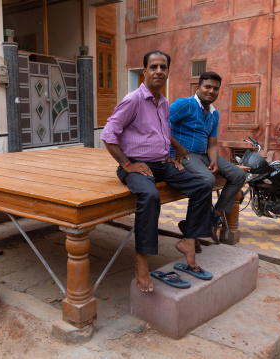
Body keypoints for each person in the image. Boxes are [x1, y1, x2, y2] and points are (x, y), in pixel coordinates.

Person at [100, 50, 214, 293]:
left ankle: (188, 241)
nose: (159, 71)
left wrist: (177, 147)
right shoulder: (133, 100)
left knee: (203, 185)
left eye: (163, 67)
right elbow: (108, 135)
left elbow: (161, 131)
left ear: (168, 72)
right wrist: (128, 164)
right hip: (136, 167)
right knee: (150, 197)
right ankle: (141, 262)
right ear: (145, 72)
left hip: (163, 165)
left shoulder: (163, 102)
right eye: (154, 67)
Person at [170, 71, 246, 245]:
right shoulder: (185, 104)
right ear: (198, 88)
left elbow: (212, 144)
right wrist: (176, 147)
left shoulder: (214, 114)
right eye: (207, 87)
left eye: (216, 88)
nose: (211, 91)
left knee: (238, 175)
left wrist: (213, 160)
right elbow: (161, 123)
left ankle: (213, 220)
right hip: (183, 154)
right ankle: (192, 231)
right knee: (207, 179)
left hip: (202, 155)